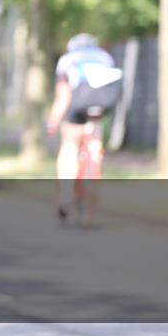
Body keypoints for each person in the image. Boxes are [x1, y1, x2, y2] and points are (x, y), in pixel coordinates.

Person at [46, 33, 123, 223]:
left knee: (69, 147)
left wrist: (52, 122)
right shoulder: (105, 58)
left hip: (77, 106)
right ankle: (94, 166)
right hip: (100, 109)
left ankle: (65, 194)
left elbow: (63, 97)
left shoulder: (66, 61)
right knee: (94, 139)